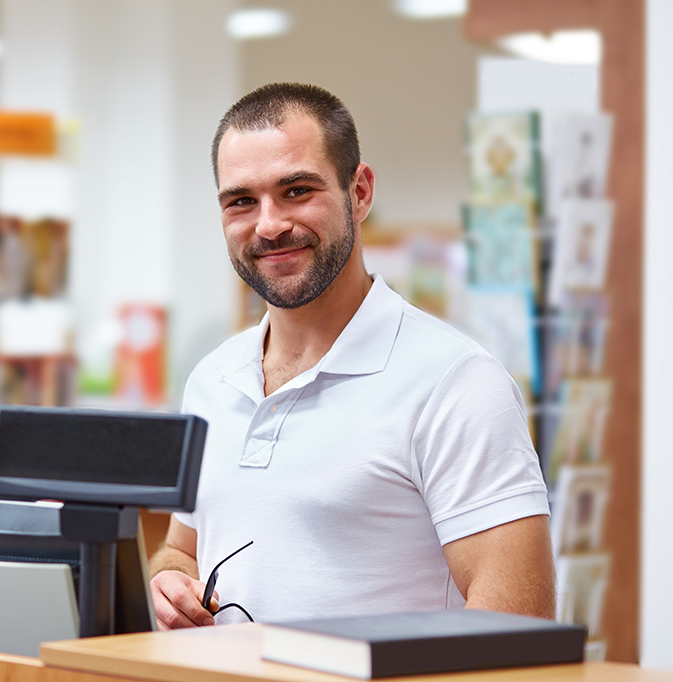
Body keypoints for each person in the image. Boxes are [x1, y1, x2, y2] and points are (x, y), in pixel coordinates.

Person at [149, 83, 554, 630]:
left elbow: (517, 627)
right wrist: (169, 580)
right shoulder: (211, 381)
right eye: (241, 200)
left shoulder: (456, 383)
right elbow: (181, 549)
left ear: (359, 192)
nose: (268, 224)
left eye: (296, 190)